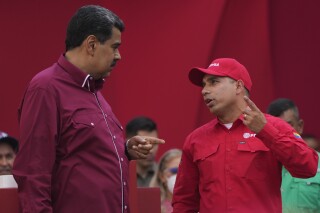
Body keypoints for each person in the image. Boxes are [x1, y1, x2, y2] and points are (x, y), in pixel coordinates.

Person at [12, 5, 164, 213]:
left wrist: (125, 150)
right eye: (114, 46)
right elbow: (33, 172)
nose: (118, 56)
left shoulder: (94, 92)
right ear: (91, 44)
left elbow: (83, 153)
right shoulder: (46, 88)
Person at [172, 58, 318, 213]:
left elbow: (308, 167)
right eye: (203, 84)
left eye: (213, 82)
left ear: (238, 86)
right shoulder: (195, 139)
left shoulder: (274, 126)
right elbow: (184, 201)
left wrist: (265, 131)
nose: (204, 90)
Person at [267, 98, 320, 213]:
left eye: (287, 125)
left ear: (300, 126)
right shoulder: (258, 165)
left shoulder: (317, 164)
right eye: (275, 128)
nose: (282, 132)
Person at [125, 116, 159, 187]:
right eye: (144, 143)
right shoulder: (120, 176)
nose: (151, 150)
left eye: (155, 144)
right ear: (130, 143)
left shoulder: (163, 176)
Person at [149, 149, 182, 213]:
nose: (180, 175)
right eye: (175, 171)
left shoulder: (197, 205)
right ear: (162, 176)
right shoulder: (153, 207)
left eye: (184, 171)